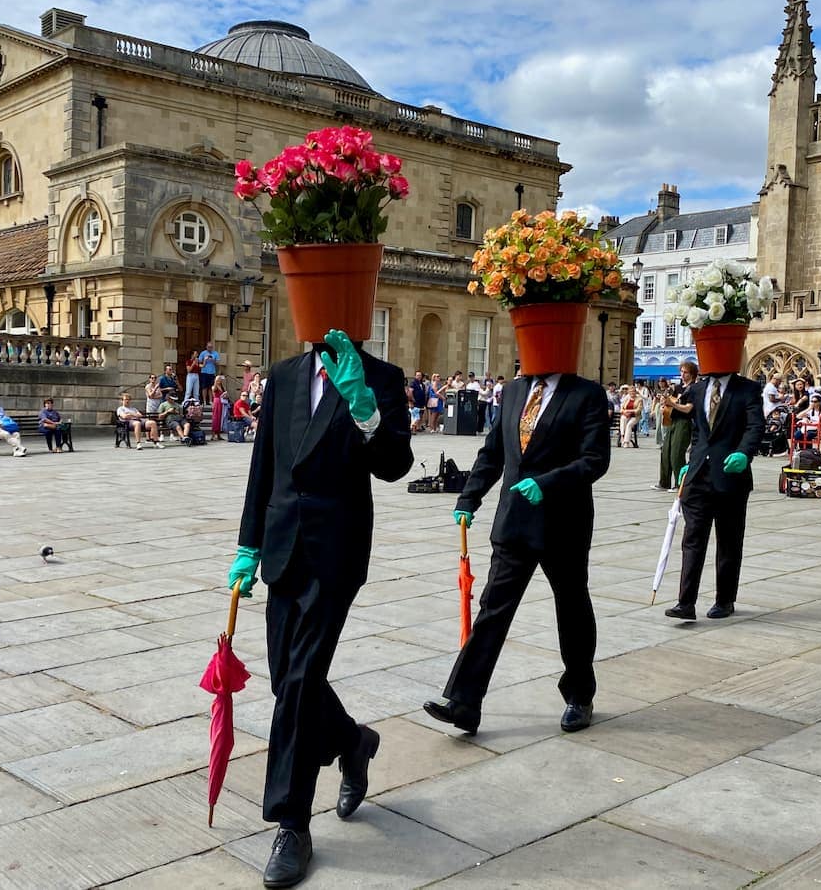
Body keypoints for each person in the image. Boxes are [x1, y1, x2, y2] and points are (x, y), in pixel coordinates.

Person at [230, 328, 412, 887]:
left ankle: (291, 823)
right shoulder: (283, 376)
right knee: (286, 678)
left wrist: (366, 412)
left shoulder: (381, 378)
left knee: (303, 682)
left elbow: (396, 464)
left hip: (336, 548)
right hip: (283, 548)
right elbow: (265, 466)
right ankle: (353, 741)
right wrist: (247, 544)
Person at [423, 366, 611, 739]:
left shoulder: (585, 394)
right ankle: (464, 701)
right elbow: (493, 451)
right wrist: (469, 497)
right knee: (493, 609)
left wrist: (549, 484)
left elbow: (596, 460)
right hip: (514, 520)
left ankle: (579, 695)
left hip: (563, 521)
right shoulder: (514, 391)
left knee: (571, 607)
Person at [664, 365, 763, 621]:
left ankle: (725, 599)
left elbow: (755, 427)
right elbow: (699, 432)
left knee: (728, 541)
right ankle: (685, 602)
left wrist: (745, 452)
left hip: (730, 475)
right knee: (692, 539)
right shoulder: (697, 390)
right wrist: (691, 460)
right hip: (698, 477)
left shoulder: (747, 389)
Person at [655, 361, 697, 490]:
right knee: (665, 452)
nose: (682, 375)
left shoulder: (694, 389)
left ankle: (680, 484)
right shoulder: (677, 388)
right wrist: (664, 405)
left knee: (677, 453)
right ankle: (664, 482)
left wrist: (672, 405)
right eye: (681, 372)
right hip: (672, 421)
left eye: (686, 372)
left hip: (684, 423)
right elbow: (669, 403)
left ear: (692, 374)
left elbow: (688, 409)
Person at [210, 376, 228, 441]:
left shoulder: (222, 386)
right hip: (217, 402)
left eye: (220, 379)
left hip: (222, 402)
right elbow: (214, 392)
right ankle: (213, 435)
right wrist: (216, 381)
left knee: (220, 418)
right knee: (215, 418)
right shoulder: (214, 386)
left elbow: (223, 394)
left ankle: (218, 435)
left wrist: (225, 395)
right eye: (218, 379)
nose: (220, 380)